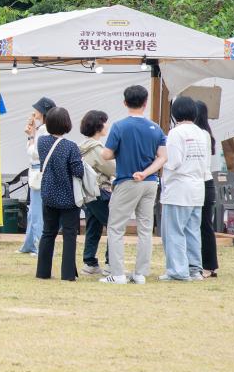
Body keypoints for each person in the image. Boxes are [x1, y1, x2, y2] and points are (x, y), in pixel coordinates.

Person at [99, 85, 167, 285]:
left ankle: (118, 274)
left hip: (126, 181)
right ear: (145, 103)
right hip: (150, 182)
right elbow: (163, 157)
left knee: (116, 227)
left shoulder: (119, 126)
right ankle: (140, 273)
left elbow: (106, 154)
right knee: (145, 228)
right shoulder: (156, 128)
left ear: (125, 102)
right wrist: (146, 172)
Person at [159, 96, 211, 281]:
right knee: (192, 231)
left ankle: (177, 271)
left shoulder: (176, 133)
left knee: (173, 231)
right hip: (198, 187)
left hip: (179, 188)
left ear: (175, 113)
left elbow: (173, 162)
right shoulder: (202, 133)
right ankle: (194, 269)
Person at [35, 107, 84, 281]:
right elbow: (78, 171)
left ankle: (42, 272)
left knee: (48, 232)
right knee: (69, 234)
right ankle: (68, 274)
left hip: (48, 193)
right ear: (67, 124)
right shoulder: (70, 146)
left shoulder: (41, 142)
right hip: (68, 196)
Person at [79, 110, 115, 275]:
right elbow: (112, 168)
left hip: (88, 193)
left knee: (93, 226)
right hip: (100, 191)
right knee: (115, 225)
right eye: (104, 122)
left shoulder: (83, 146)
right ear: (98, 125)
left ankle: (90, 262)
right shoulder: (97, 148)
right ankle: (111, 263)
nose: (106, 125)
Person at [20, 96, 56, 255]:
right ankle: (29, 244)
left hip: (38, 172)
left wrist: (30, 136)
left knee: (36, 212)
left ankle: (38, 245)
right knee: (34, 211)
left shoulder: (43, 130)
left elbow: (34, 153)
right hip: (42, 172)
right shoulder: (49, 128)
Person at [193, 101, 220, 278]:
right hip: (204, 182)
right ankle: (204, 265)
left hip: (202, 182)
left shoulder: (200, 134)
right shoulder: (206, 133)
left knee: (203, 225)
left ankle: (208, 266)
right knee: (203, 225)